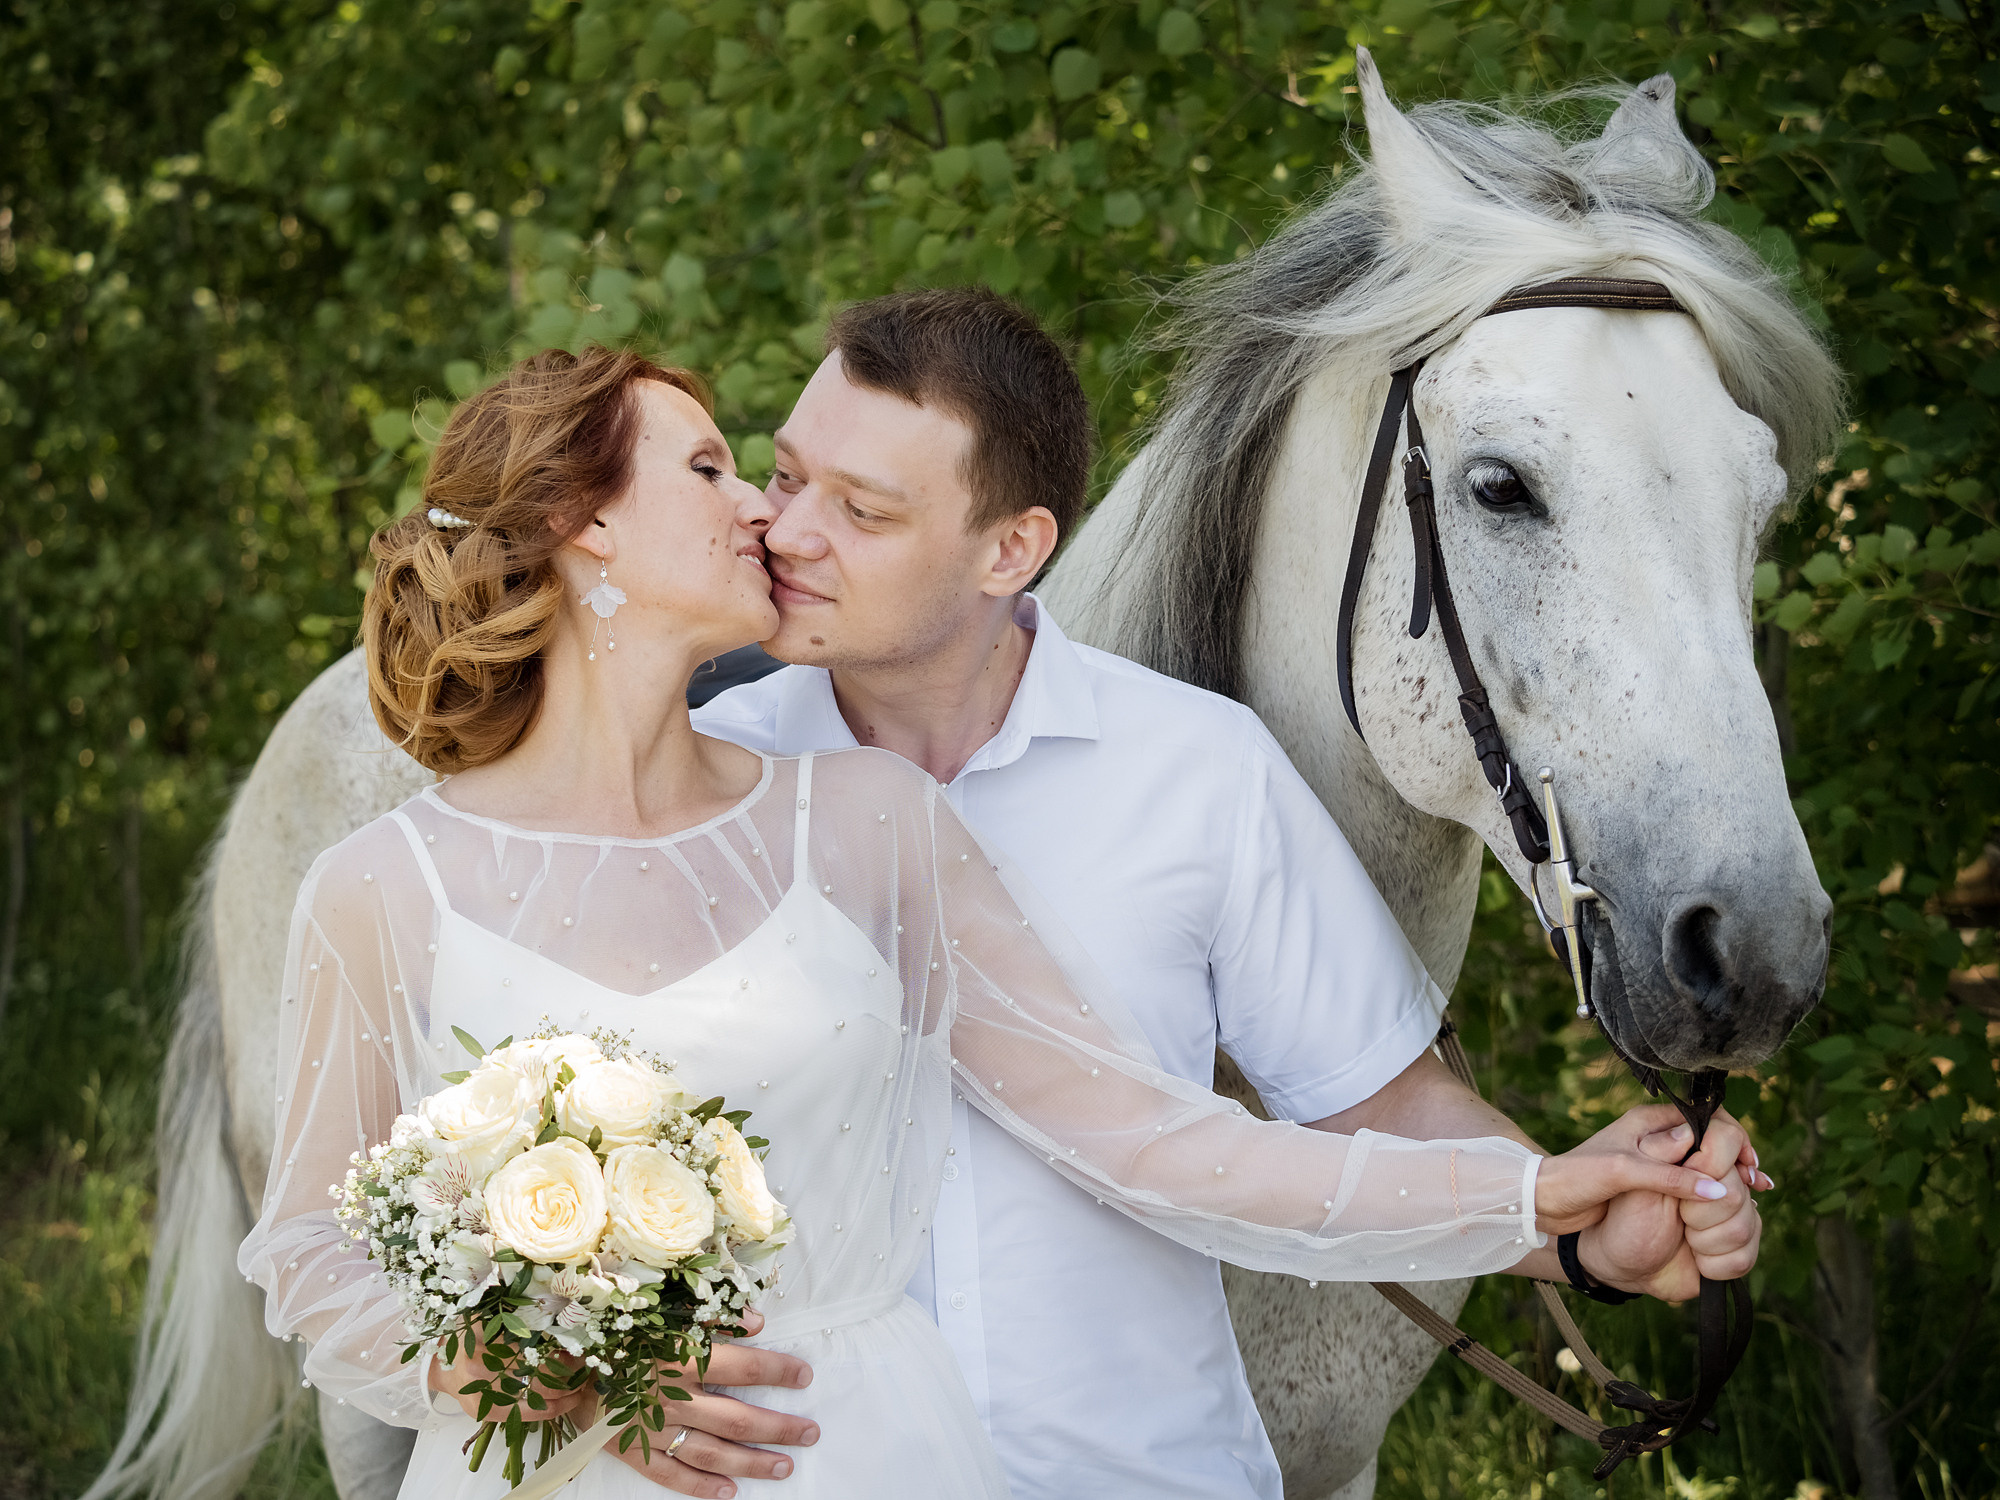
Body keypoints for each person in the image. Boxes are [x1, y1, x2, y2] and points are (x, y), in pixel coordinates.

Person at [237, 344, 1761, 1500]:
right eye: (721, 473)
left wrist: (1539, 1201)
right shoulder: (381, 888)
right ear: (583, 532)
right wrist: (555, 1362)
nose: (770, 516)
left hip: (882, 1454)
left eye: (840, 499)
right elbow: (311, 1250)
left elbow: (1156, 1144)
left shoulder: (871, 828)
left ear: (1006, 549)